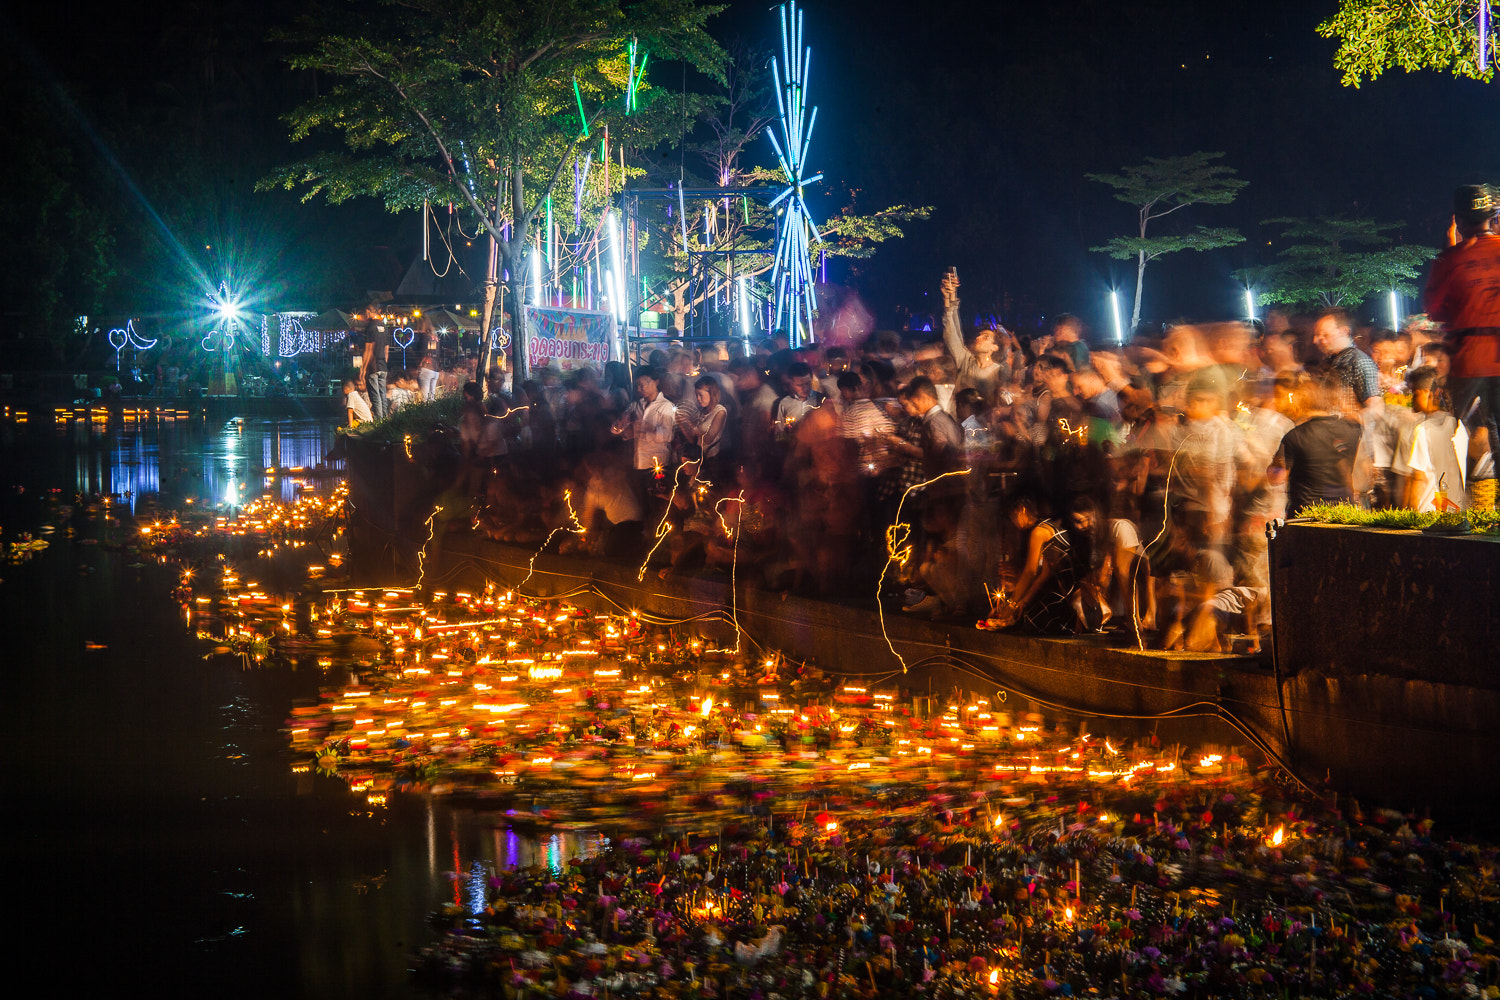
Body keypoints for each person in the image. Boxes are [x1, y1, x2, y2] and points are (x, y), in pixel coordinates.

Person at [1424, 183, 1500, 499]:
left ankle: (1465, 503)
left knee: (1459, 432)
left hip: (1468, 363)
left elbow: (1435, 310)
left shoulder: (1451, 258)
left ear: (1459, 219)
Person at [1269, 374, 1362, 515]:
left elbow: (1276, 477)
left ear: (1302, 402)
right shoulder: (1352, 430)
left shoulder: (1295, 436)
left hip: (1306, 515)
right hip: (1343, 514)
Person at [1393, 366, 1469, 511]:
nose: (1412, 399)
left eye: (1414, 393)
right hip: (1455, 512)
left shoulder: (1423, 430)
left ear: (1427, 393)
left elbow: (1418, 478)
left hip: (1427, 512)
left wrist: (1410, 517)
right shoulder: (1459, 428)